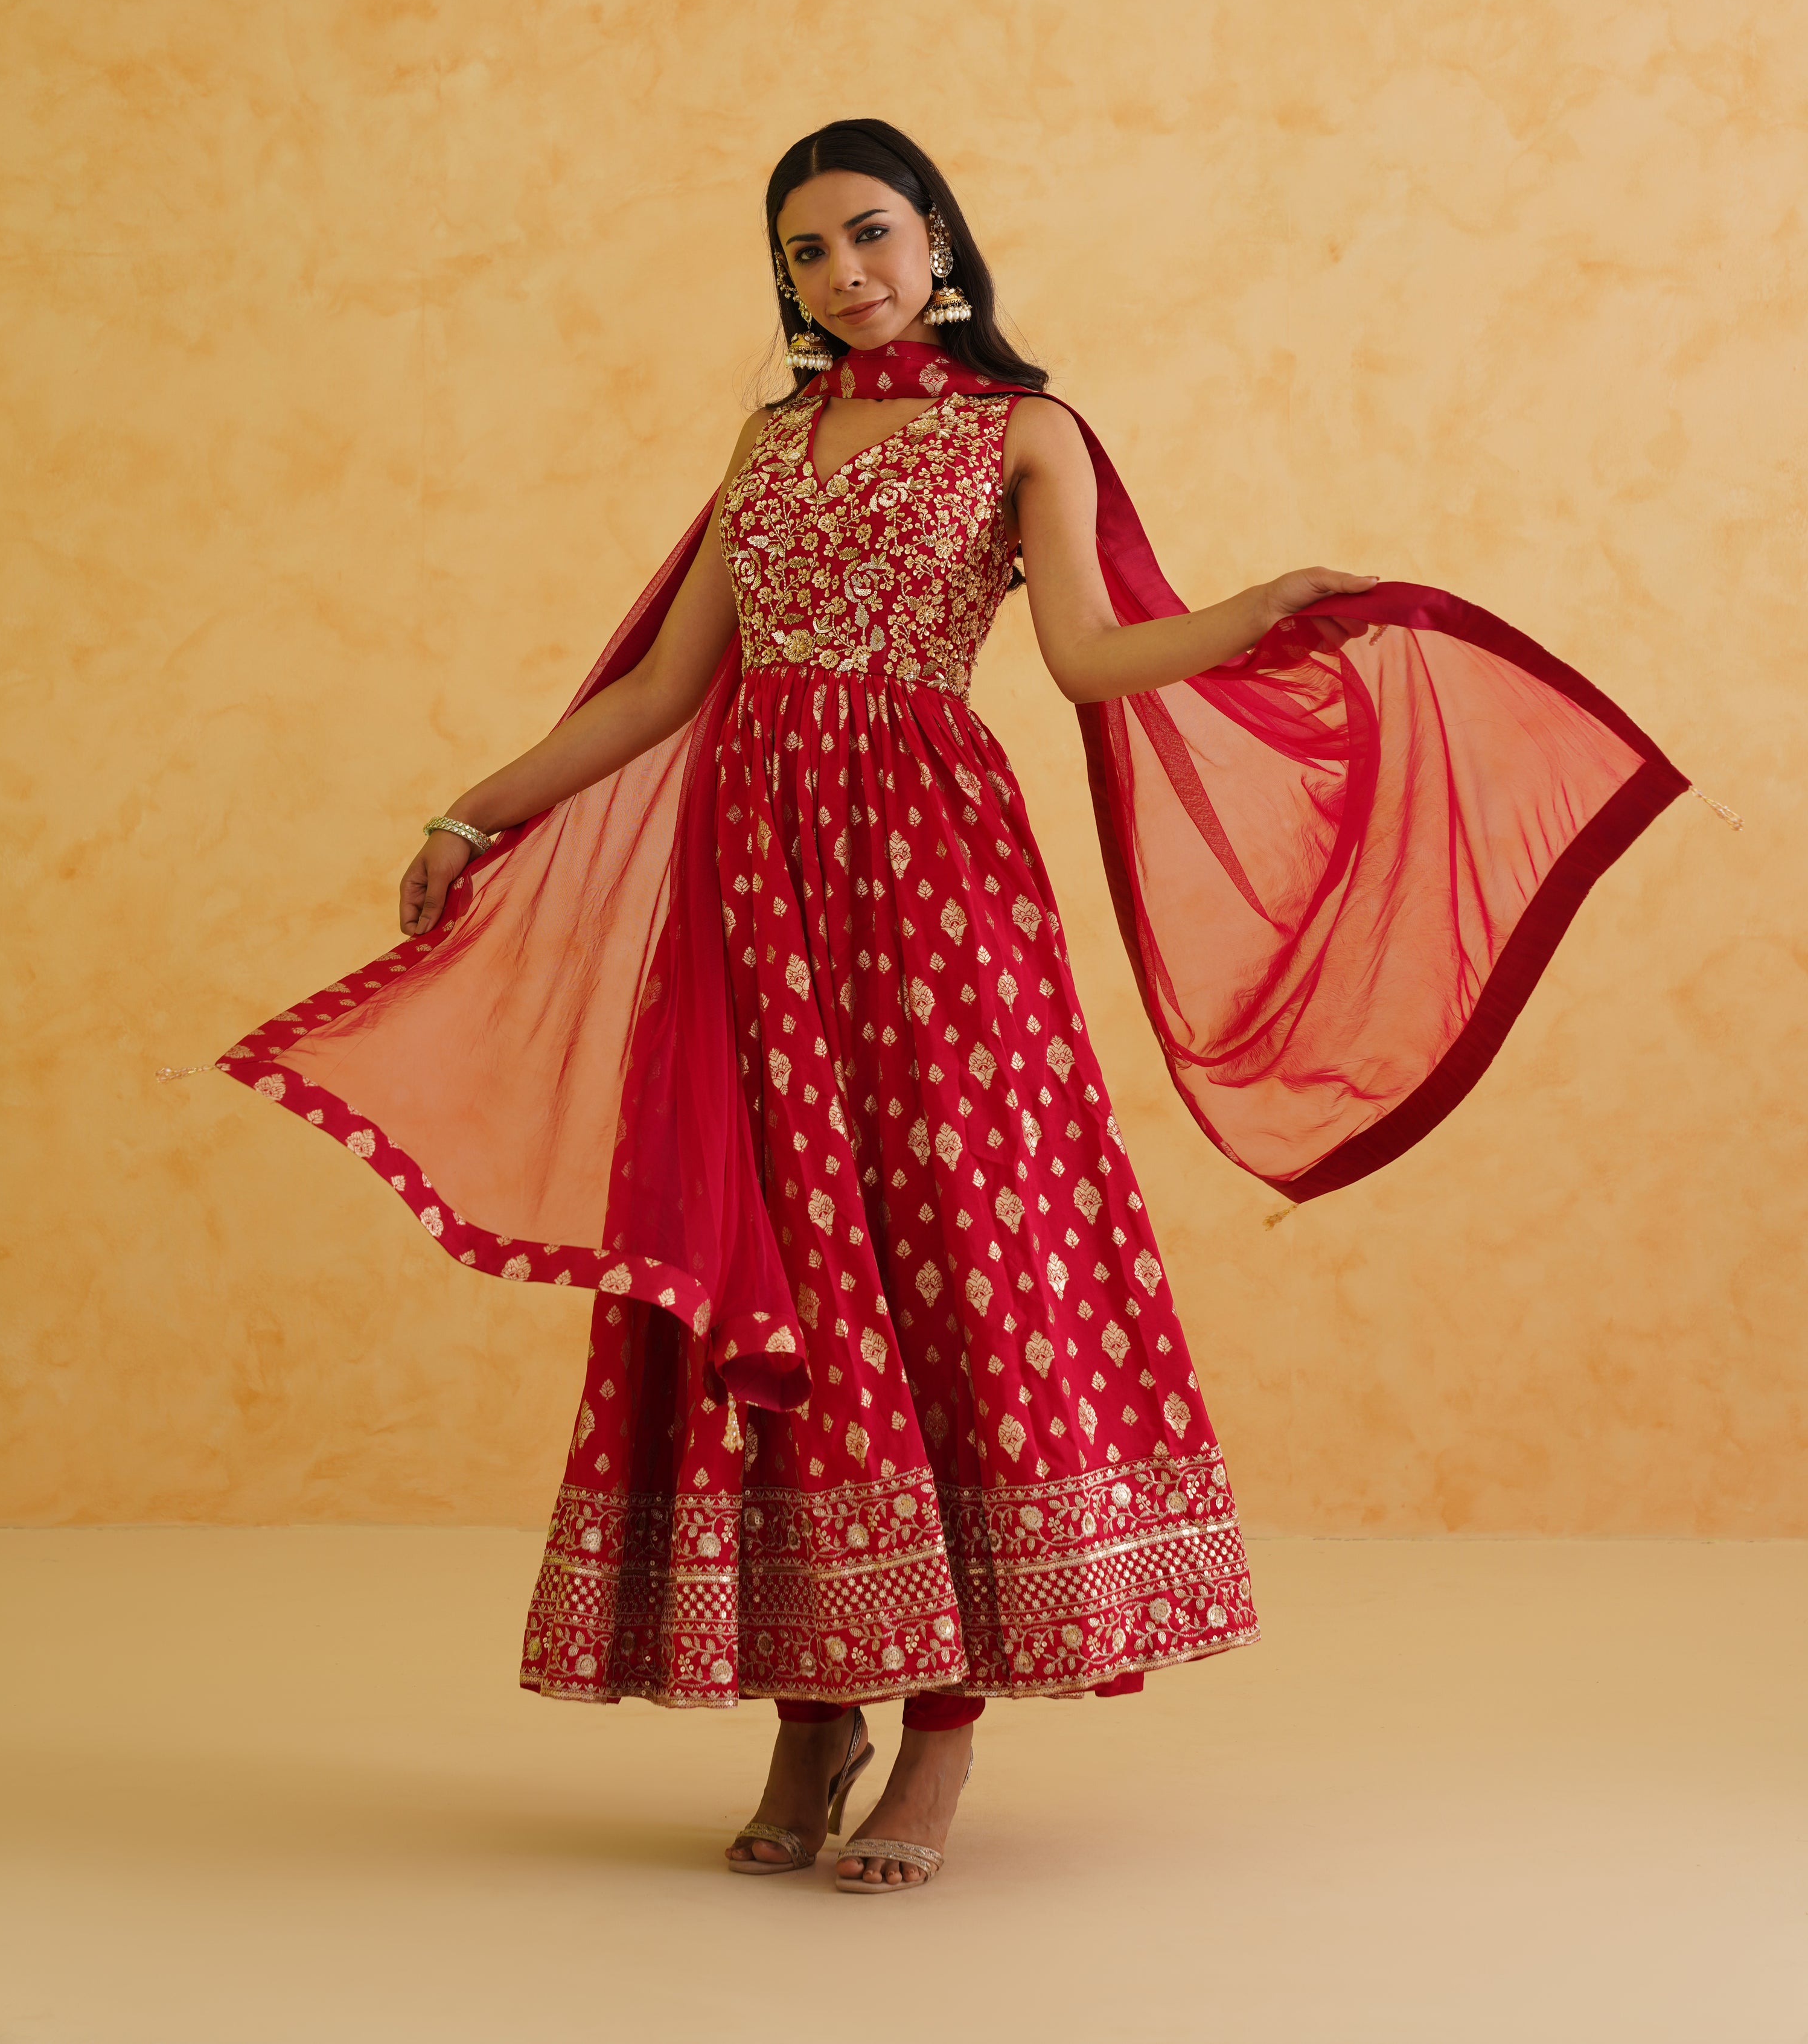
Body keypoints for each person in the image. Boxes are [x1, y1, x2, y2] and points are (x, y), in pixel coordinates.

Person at [219, 119, 1684, 1895]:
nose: (844, 272)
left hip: (933, 882)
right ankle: (815, 1701)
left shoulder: (1023, 432)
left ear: (940, 242)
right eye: (807, 251)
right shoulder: (769, 442)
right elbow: (672, 686)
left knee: (948, 1255)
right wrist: (474, 808)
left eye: (871, 233)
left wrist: (1256, 611)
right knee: (790, 1259)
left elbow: (1085, 655)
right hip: (754, 893)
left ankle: (941, 1728)